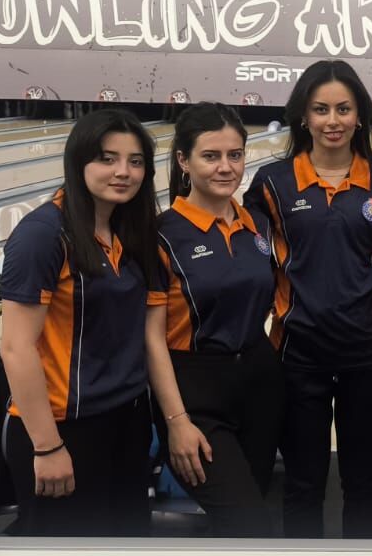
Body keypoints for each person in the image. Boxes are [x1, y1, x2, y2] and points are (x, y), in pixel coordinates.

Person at [244, 61, 372, 539]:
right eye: (320, 109)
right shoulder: (273, 183)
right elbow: (251, 256)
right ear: (303, 116)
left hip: (367, 351)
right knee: (303, 482)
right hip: (299, 352)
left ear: (360, 116)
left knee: (364, 481)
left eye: (343, 109)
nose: (332, 120)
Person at [0, 109, 166, 536]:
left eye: (135, 161)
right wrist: (47, 446)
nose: (123, 172)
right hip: (63, 427)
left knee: (128, 540)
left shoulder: (130, 230)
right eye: (107, 159)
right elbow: (15, 347)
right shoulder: (43, 235)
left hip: (126, 419)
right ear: (78, 161)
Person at [146, 103, 282, 537]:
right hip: (195, 391)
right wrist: (176, 422)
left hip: (259, 383)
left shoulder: (256, 224)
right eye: (211, 156)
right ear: (183, 160)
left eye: (235, 155)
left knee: (247, 515)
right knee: (249, 525)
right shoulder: (161, 235)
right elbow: (151, 340)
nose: (226, 167)